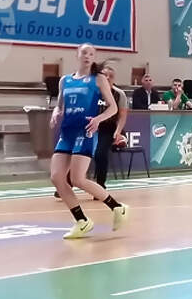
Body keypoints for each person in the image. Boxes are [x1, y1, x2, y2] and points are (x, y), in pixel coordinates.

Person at [49, 44, 128, 239]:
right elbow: (60, 105)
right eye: (84, 52)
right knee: (57, 177)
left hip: (85, 131)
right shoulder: (65, 80)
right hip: (67, 132)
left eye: (91, 54)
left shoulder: (98, 79)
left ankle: (117, 207)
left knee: (78, 179)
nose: (87, 56)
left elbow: (113, 108)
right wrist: (55, 113)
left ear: (94, 58)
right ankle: (82, 221)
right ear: (77, 55)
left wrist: (98, 119)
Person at [92, 64, 128, 190]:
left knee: (100, 154)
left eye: (111, 76)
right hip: (91, 126)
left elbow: (122, 116)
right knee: (75, 153)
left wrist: (118, 132)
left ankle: (100, 186)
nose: (107, 78)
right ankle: (67, 184)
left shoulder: (119, 94)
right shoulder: (93, 91)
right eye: (105, 75)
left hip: (108, 127)